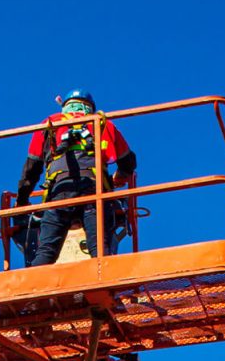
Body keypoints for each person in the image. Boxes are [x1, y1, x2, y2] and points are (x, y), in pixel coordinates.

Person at [15, 90, 137, 267]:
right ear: (90, 107)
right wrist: (120, 176)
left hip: (60, 192)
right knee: (100, 251)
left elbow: (31, 169)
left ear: (65, 106)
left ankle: (35, 291)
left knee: (46, 251)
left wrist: (22, 200)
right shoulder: (102, 123)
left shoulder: (50, 123)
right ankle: (104, 286)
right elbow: (128, 162)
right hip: (94, 193)